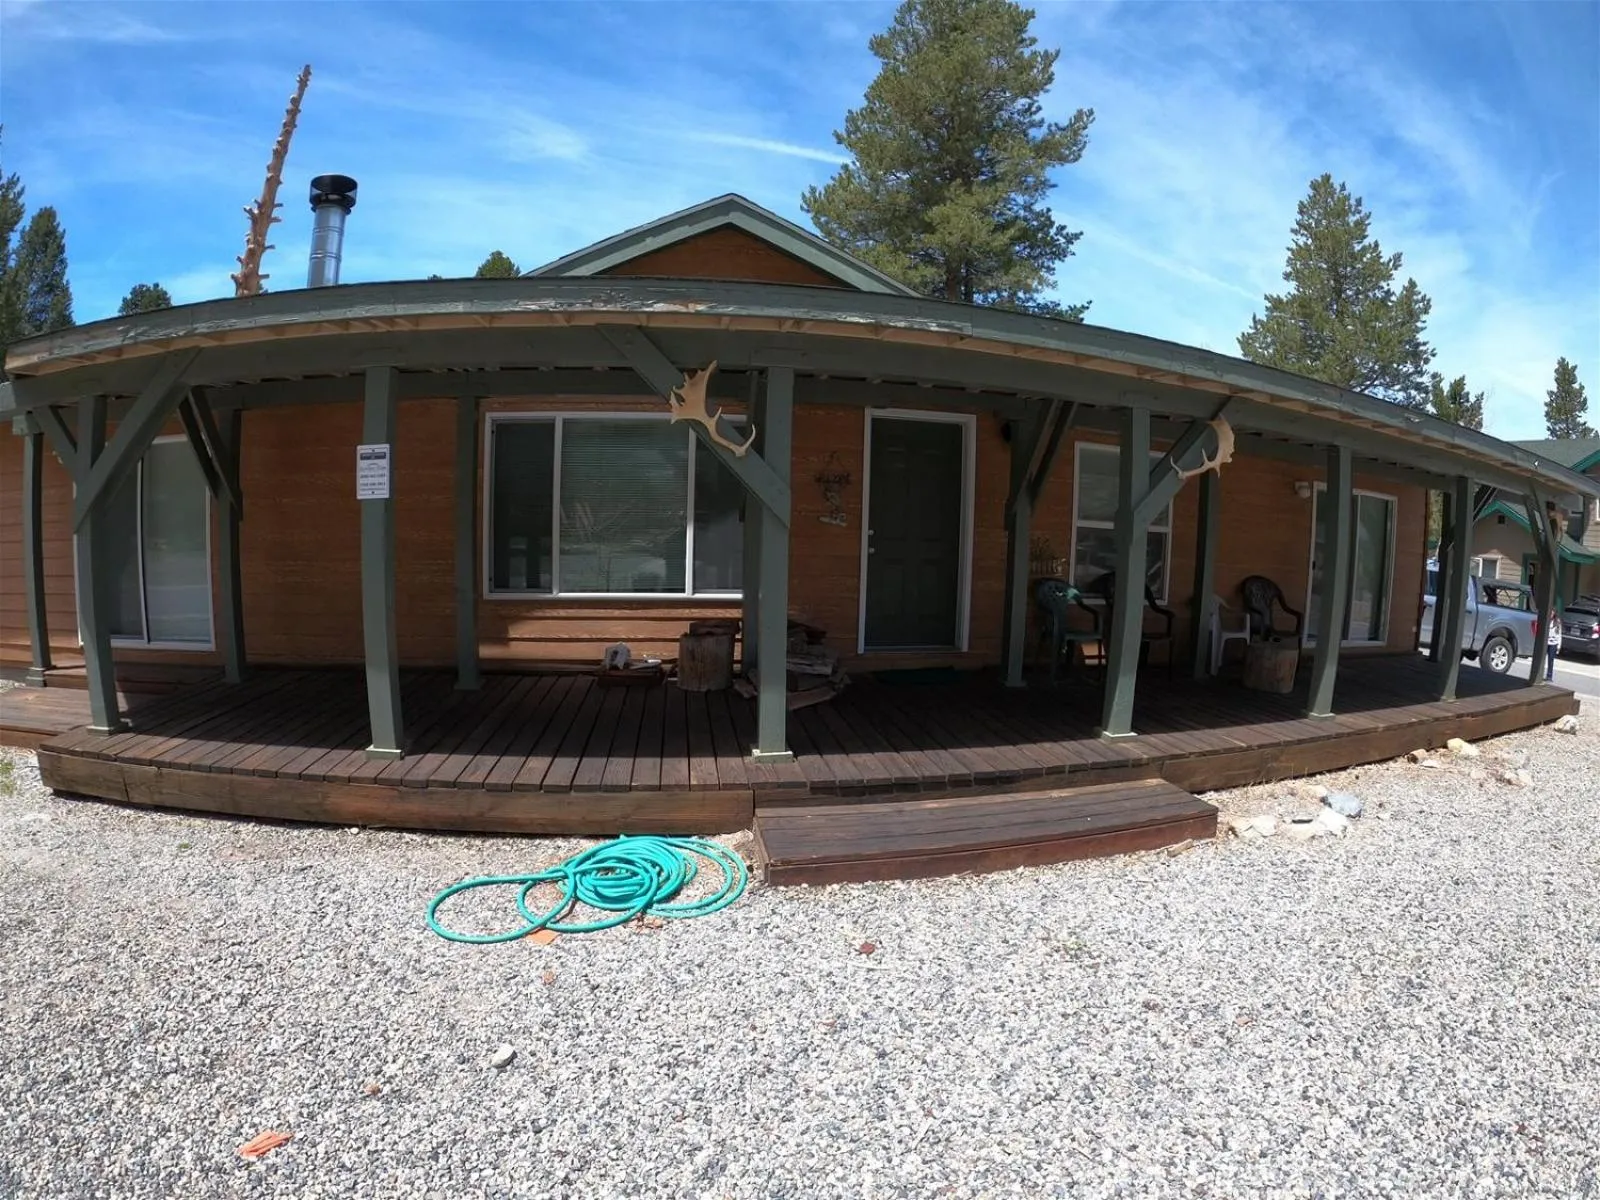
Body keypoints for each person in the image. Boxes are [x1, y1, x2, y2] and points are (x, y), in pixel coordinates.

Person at [1546, 605, 1561, 681]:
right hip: (1546, 642)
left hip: (1553, 643)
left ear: (1554, 613)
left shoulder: (1557, 621)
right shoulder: (1546, 620)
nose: (1551, 614)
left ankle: (1549, 676)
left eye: (1552, 613)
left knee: (1550, 660)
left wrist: (1558, 646)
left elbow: (1559, 634)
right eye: (1550, 612)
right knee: (1542, 660)